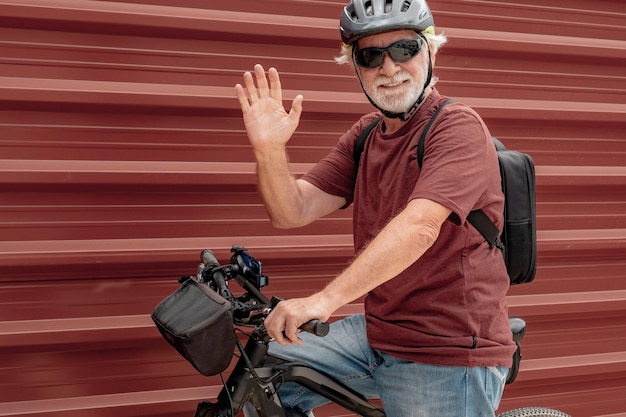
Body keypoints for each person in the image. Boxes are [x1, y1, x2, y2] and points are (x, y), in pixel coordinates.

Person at [234, 0, 517, 416]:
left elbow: (420, 226)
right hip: (379, 331)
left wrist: (323, 300)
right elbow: (291, 210)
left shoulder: (457, 127)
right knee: (262, 377)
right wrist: (270, 150)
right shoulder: (366, 135)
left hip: (445, 346)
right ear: (355, 66)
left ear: (431, 51)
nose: (388, 68)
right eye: (371, 55)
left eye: (404, 49)